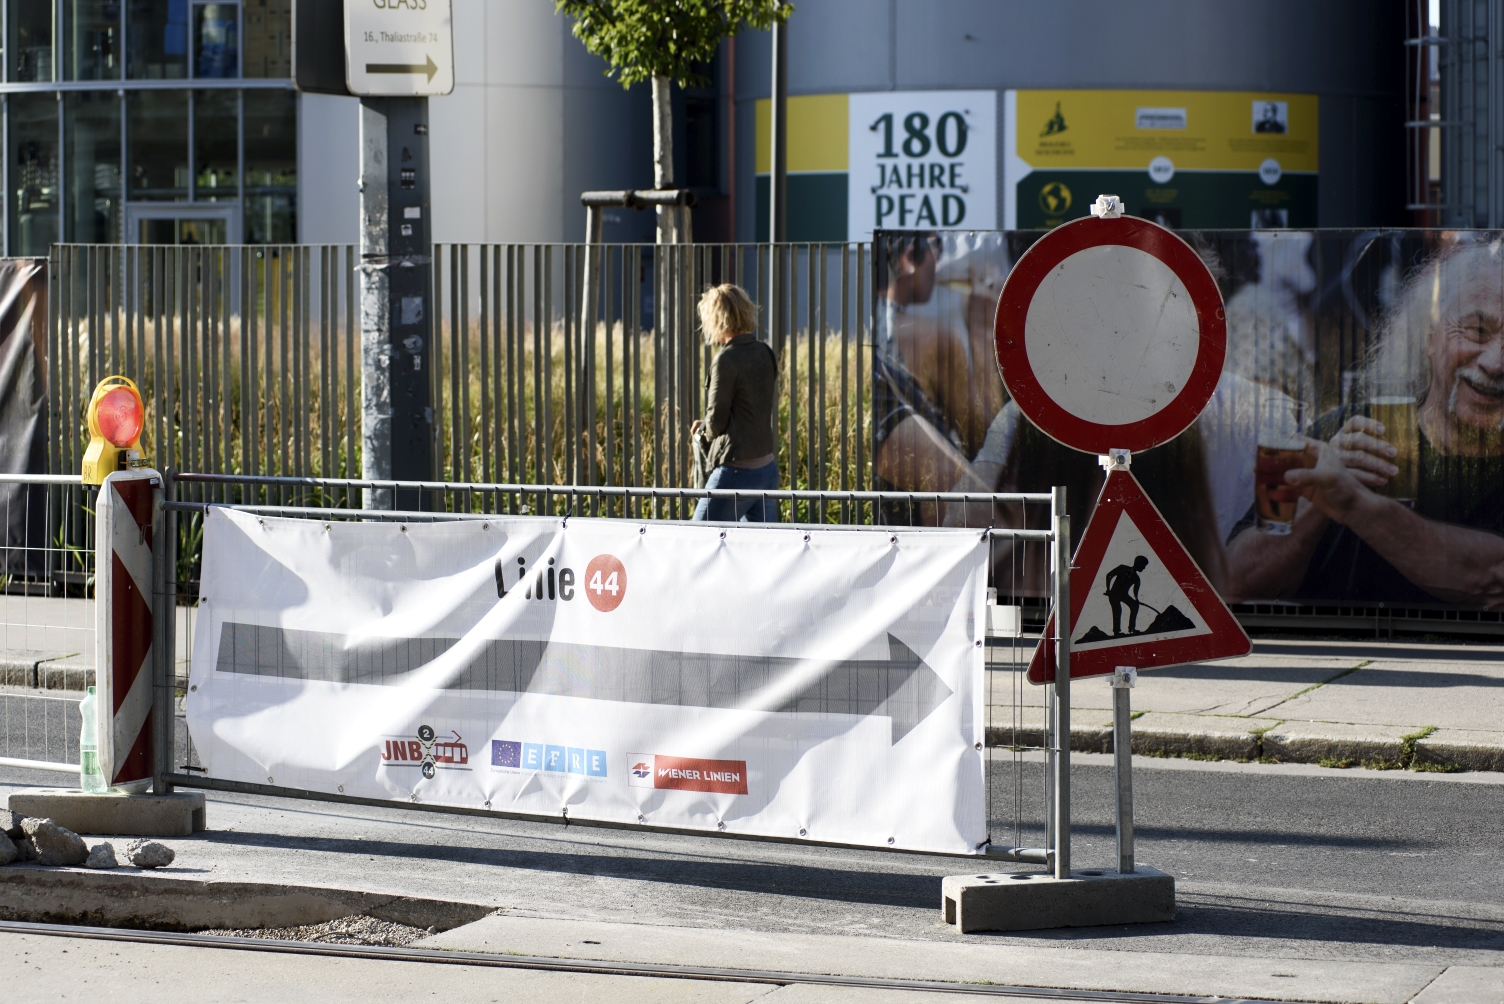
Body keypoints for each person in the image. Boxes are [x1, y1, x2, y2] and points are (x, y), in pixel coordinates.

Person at [1226, 238, 1504, 608]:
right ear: (1430, 337)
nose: (1496, 363)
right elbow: (1234, 579)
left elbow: (1492, 578)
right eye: (1477, 331)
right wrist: (1316, 504)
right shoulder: (1334, 429)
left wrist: (1354, 504)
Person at [691, 284, 780, 522]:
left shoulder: (725, 360)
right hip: (767, 469)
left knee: (696, 538)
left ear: (716, 318)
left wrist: (703, 429)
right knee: (758, 551)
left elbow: (717, 422)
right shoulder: (765, 352)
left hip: (736, 471)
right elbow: (749, 408)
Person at [1105, 556, 1150, 636]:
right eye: (1143, 566)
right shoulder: (1123, 568)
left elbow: (1135, 591)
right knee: (1117, 610)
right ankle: (1116, 632)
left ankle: (1132, 629)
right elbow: (1109, 575)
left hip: (1123, 595)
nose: (1143, 568)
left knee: (1135, 606)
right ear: (1138, 564)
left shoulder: (1136, 578)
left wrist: (1136, 599)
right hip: (1114, 594)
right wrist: (1108, 590)